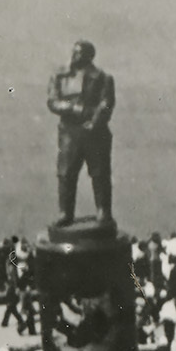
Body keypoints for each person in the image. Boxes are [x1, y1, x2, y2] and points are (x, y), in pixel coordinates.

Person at [46, 39, 117, 226]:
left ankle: (103, 210)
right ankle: (65, 213)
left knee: (99, 173)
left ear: (89, 56)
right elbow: (52, 101)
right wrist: (71, 107)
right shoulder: (61, 76)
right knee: (66, 173)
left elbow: (106, 103)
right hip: (69, 132)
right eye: (73, 51)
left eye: (79, 52)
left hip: (95, 132)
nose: (74, 55)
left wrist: (93, 122)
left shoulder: (103, 78)